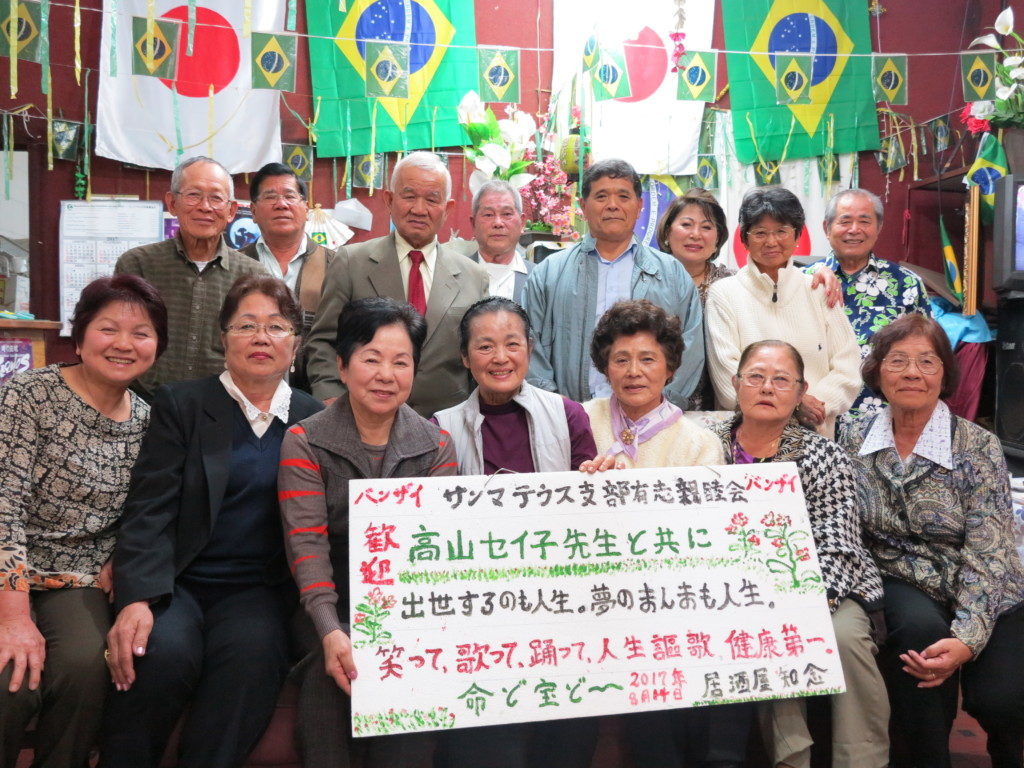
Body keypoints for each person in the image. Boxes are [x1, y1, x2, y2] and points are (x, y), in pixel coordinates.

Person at [101, 275, 322, 768]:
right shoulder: (182, 404)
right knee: (157, 652)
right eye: (246, 325)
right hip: (178, 582)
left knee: (252, 659)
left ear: (296, 343)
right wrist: (136, 597)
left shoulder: (311, 419)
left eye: (276, 326)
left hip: (258, 592)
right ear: (223, 338)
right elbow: (149, 507)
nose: (262, 338)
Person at [278, 297, 458, 768]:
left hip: (406, 599)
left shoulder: (437, 445)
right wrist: (331, 629)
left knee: (408, 668)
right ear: (342, 365)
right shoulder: (304, 440)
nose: (386, 374)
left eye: (401, 362)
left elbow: (432, 553)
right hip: (327, 593)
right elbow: (307, 544)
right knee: (326, 666)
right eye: (371, 359)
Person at [842, 314, 1024, 768]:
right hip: (907, 580)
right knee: (920, 648)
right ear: (876, 370)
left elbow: (991, 550)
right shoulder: (852, 434)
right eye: (898, 360)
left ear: (944, 372)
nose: (911, 373)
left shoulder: (977, 445)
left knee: (999, 700)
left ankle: (1008, 747)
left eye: (927, 362)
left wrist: (966, 638)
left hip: (988, 588)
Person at [0, 276, 166, 768]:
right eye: (108, 328)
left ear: (157, 346)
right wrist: (13, 617)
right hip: (13, 568)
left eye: (141, 333)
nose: (123, 344)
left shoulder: (149, 419)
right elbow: (3, 505)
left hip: (81, 577)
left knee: (83, 669)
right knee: (12, 677)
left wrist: (123, 557)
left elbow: (148, 509)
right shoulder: (29, 394)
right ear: (80, 334)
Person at [432, 296, 597, 768]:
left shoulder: (568, 415)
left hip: (558, 598)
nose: (500, 358)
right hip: (479, 606)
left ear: (530, 348)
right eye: (485, 347)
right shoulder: (440, 429)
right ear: (465, 358)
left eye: (512, 344)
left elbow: (587, 514)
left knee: (567, 732)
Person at [714, 339, 888, 768]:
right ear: (736, 384)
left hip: (825, 584)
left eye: (781, 380)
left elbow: (837, 543)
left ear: (800, 391)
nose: (767, 387)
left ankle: (861, 759)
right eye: (756, 377)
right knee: (763, 629)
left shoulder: (823, 454)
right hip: (729, 588)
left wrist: (800, 600)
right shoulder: (708, 446)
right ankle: (791, 759)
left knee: (844, 637)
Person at [580, 300, 737, 768]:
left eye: (648, 359)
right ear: (604, 367)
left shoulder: (698, 442)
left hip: (668, 593)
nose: (633, 371)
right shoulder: (578, 421)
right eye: (620, 359)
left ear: (670, 368)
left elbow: (706, 534)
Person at [304, 151, 490, 417]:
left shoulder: (474, 277)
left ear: (447, 209)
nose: (419, 209)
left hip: (446, 423)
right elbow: (323, 341)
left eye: (431, 199)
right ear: (389, 200)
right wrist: (331, 397)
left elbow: (478, 355)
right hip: (362, 416)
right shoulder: (351, 262)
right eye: (409, 196)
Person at [524, 158, 704, 409]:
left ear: (639, 205)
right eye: (601, 196)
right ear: (583, 206)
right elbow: (528, 343)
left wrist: (661, 406)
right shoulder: (548, 274)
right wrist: (557, 408)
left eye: (623, 196)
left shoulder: (672, 273)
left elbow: (691, 348)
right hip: (569, 420)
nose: (612, 205)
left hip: (651, 420)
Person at [705, 186, 861, 437]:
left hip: (816, 437)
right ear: (744, 238)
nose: (771, 241)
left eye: (781, 231)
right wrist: (798, 403)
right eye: (760, 233)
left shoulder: (819, 290)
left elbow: (848, 368)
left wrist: (816, 405)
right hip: (749, 440)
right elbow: (727, 383)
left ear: (797, 236)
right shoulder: (724, 294)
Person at [115, 155, 267, 399]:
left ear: (231, 211)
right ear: (172, 203)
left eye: (216, 198)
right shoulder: (137, 264)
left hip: (223, 408)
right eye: (193, 195)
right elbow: (121, 338)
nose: (205, 207)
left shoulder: (253, 276)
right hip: (143, 404)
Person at [809, 188, 931, 423]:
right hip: (815, 416)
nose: (854, 230)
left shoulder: (907, 284)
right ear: (827, 228)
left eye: (864, 221)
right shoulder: (805, 281)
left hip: (883, 418)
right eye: (845, 221)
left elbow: (924, 353)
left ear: (878, 228)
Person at [242, 161, 336, 391]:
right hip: (247, 391)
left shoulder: (336, 264)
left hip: (315, 395)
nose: (281, 204)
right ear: (253, 211)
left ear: (305, 208)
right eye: (270, 196)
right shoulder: (236, 265)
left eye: (290, 196)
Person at [654, 188, 734, 410]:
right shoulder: (648, 279)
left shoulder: (731, 284)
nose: (696, 234)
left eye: (706, 227)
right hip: (655, 400)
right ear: (667, 232)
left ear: (718, 238)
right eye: (686, 224)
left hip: (720, 404)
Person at [467, 179, 532, 302]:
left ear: (522, 222)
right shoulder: (456, 275)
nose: (498, 223)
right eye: (488, 215)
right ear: (473, 224)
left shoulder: (539, 277)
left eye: (506, 214)